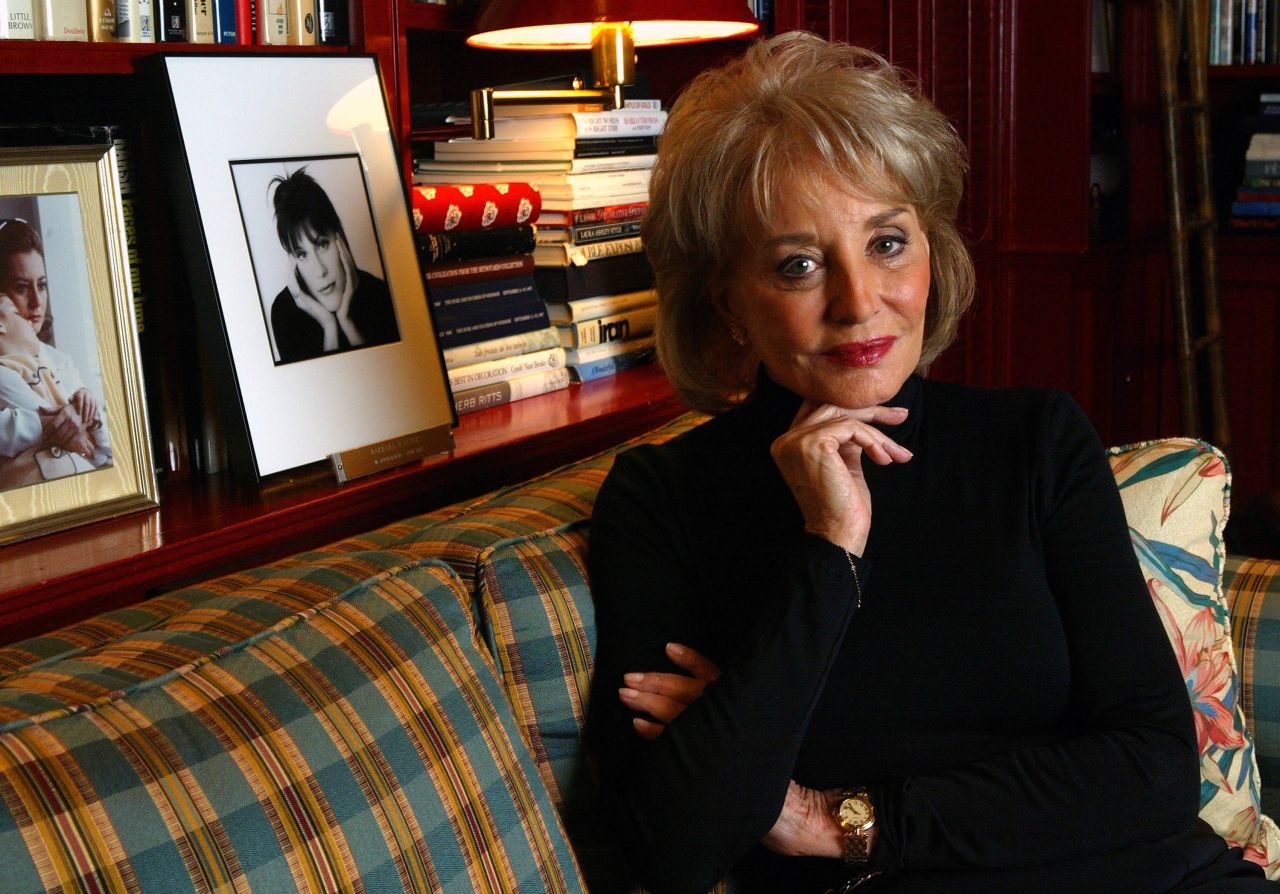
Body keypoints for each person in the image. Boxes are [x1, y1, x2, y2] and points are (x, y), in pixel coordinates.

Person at [586, 32, 1270, 893]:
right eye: (799, 265)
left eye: (886, 243)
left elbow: (1153, 768)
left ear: (930, 254)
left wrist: (838, 817)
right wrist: (830, 547)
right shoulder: (664, 500)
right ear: (727, 301)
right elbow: (676, 849)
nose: (859, 302)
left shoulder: (1034, 442)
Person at [267, 167, 399, 364]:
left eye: (322, 244)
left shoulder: (379, 294)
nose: (320, 270)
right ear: (292, 261)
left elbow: (391, 379)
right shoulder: (284, 313)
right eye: (302, 254)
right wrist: (330, 326)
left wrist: (347, 323)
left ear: (338, 238)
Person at [0, 218, 96, 469]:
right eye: (22, 288)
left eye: (41, 286)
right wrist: (53, 426)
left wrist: (86, 402)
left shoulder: (60, 360)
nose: (36, 302)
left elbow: (100, 446)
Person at [0, 293, 110, 489]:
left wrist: (88, 412)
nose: (27, 318)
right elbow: (60, 422)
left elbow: (103, 451)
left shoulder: (51, 365)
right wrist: (62, 421)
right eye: (16, 313)